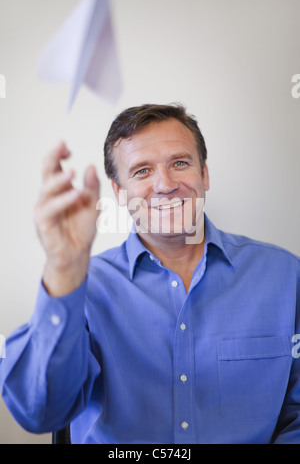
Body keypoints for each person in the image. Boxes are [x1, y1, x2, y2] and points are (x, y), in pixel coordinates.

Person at [0, 103, 300, 444]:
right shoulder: (81, 288)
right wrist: (63, 268)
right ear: (118, 191)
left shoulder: (287, 276)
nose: (165, 184)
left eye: (180, 163)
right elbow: (40, 413)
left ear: (204, 174)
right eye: (142, 171)